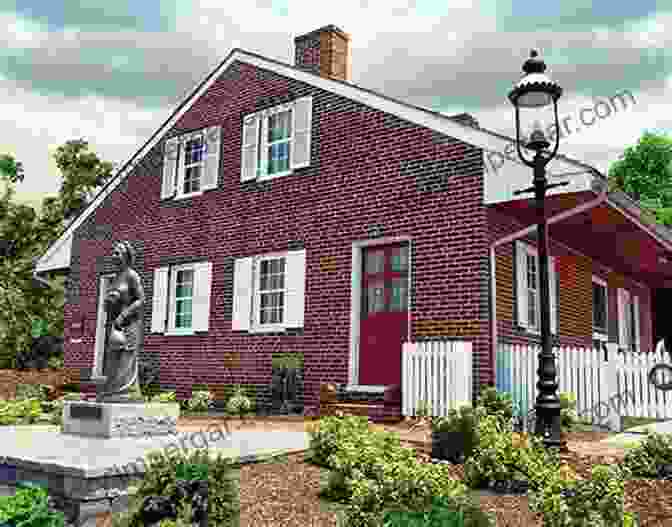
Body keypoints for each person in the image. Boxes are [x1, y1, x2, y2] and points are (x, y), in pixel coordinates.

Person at [97, 241, 145, 402]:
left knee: (126, 357)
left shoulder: (132, 275)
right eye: (113, 253)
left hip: (128, 324)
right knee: (112, 359)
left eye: (117, 253)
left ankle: (126, 393)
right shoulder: (115, 277)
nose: (114, 256)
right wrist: (108, 303)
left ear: (126, 256)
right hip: (114, 325)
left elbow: (140, 300)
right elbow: (110, 302)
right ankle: (112, 391)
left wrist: (124, 316)